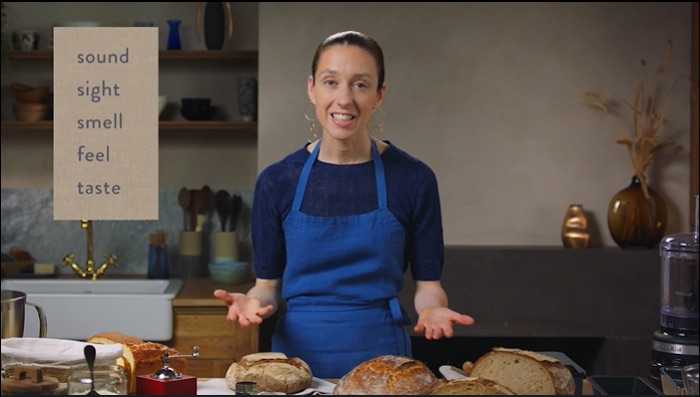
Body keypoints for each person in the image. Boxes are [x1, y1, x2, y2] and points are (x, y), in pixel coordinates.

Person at [214, 31, 475, 379]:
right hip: (295, 368)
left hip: (385, 367)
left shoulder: (413, 179)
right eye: (330, 82)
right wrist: (253, 302)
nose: (344, 99)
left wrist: (433, 311)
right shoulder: (277, 182)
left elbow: (429, 287)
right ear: (312, 89)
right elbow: (268, 286)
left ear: (380, 95)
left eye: (361, 85)